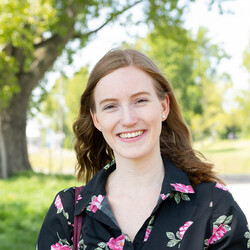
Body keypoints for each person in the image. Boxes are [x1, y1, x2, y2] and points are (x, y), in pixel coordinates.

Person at [36, 48, 249, 249]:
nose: (128, 119)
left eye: (140, 100)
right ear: (97, 119)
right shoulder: (68, 213)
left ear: (163, 107)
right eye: (110, 106)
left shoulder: (215, 207)